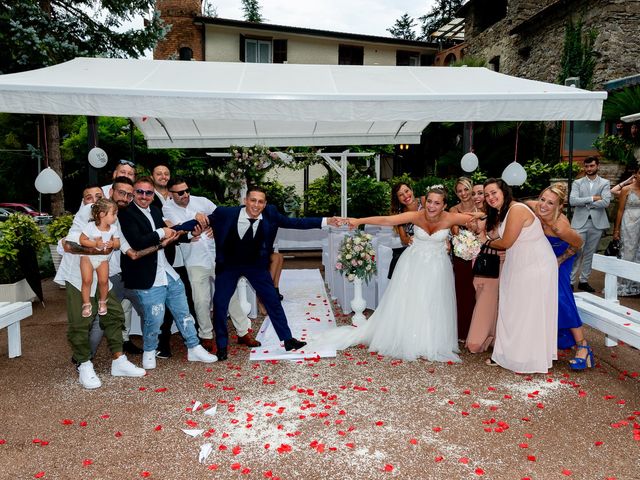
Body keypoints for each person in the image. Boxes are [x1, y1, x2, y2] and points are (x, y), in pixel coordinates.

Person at [313, 186, 483, 362]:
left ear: (444, 205)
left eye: (437, 203)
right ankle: (408, 338)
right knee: (410, 301)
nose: (431, 206)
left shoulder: (451, 218)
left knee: (434, 302)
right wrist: (359, 220)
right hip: (413, 264)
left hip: (438, 267)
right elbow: (387, 220)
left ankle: (430, 342)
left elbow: (481, 217)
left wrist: (477, 223)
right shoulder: (417, 215)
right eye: (430, 202)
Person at [202, 185, 342, 361]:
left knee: (273, 301)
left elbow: (297, 223)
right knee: (220, 305)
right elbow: (200, 222)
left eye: (260, 202)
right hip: (229, 266)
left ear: (265, 204)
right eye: (253, 200)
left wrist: (326, 221)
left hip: (256, 266)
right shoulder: (226, 213)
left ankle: (288, 340)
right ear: (245, 201)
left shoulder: (271, 214)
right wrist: (174, 229)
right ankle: (222, 346)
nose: (256, 205)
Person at [118, 177, 218, 369]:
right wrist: (163, 232)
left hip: (166, 270)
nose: (144, 196)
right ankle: (149, 351)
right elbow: (138, 242)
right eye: (140, 192)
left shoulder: (155, 210)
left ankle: (194, 347)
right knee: (154, 317)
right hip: (146, 273)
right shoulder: (126, 214)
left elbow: (171, 235)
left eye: (148, 193)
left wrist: (190, 235)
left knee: (183, 311)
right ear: (133, 194)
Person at [53, 187, 146, 390]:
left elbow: (119, 242)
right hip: (79, 278)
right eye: (89, 197)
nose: (94, 201)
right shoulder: (83, 215)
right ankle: (84, 364)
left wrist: (137, 250)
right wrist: (92, 248)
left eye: (98, 197)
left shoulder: (110, 215)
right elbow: (67, 245)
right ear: (83, 201)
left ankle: (119, 360)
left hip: (103, 277)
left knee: (114, 314)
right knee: (80, 322)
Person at [162, 177, 260, 350]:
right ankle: (206, 335)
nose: (185, 195)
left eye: (187, 190)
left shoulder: (202, 201)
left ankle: (243, 332)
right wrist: (195, 219)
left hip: (218, 256)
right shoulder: (167, 208)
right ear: (171, 194)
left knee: (231, 295)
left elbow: (222, 218)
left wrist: (215, 226)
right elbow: (178, 229)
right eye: (180, 192)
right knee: (201, 300)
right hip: (194, 260)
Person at [483, 179, 558, 373]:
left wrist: (483, 242)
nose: (490, 197)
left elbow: (506, 241)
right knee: (514, 309)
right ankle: (511, 354)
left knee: (527, 310)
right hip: (519, 263)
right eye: (486, 195)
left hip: (535, 264)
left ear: (504, 191)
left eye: (493, 192)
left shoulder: (516, 209)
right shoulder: (503, 211)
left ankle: (528, 358)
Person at [526, 184, 593, 369]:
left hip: (560, 260)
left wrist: (559, 260)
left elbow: (579, 244)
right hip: (542, 260)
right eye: (542, 199)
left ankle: (583, 346)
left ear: (559, 207)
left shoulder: (559, 227)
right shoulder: (533, 207)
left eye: (550, 203)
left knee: (560, 297)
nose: (544, 205)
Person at [466, 185, 502, 354]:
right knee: (483, 298)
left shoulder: (497, 214)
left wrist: (483, 236)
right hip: (480, 261)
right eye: (474, 194)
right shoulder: (478, 215)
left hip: (495, 261)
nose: (477, 196)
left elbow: (499, 238)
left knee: (486, 301)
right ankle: (492, 337)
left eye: (482, 193)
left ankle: (476, 341)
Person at [569, 156, 611, 292]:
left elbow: (606, 202)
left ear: (597, 166)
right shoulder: (577, 183)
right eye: (586, 166)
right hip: (579, 223)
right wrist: (593, 198)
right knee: (576, 252)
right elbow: (573, 201)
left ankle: (584, 280)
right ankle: (570, 280)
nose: (589, 169)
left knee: (590, 253)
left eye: (591, 166)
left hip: (597, 223)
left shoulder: (605, 183)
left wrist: (585, 203)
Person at [79, 198, 120, 318]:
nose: (115, 217)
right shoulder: (90, 226)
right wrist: (95, 244)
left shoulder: (113, 229)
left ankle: (103, 301)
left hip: (103, 259)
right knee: (87, 280)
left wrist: (113, 244)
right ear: (102, 214)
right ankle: (86, 304)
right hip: (88, 257)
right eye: (113, 214)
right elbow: (82, 240)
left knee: (104, 281)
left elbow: (118, 243)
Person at [449, 177, 478, 340]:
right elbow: (454, 232)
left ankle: (478, 330)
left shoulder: (480, 206)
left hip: (481, 254)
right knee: (462, 292)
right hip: (462, 254)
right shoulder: (454, 210)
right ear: (456, 193)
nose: (463, 193)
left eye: (466, 189)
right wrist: (466, 242)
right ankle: (462, 330)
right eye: (459, 191)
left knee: (478, 292)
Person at [387, 182, 425, 278]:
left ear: (411, 190)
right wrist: (410, 240)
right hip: (416, 249)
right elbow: (403, 238)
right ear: (398, 199)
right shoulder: (400, 214)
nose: (405, 196)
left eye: (406, 191)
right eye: (401, 195)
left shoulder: (424, 201)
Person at [613, 167, 640, 296]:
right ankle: (623, 284)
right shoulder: (626, 189)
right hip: (629, 223)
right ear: (636, 174)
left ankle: (636, 285)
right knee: (628, 251)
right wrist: (616, 230)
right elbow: (620, 210)